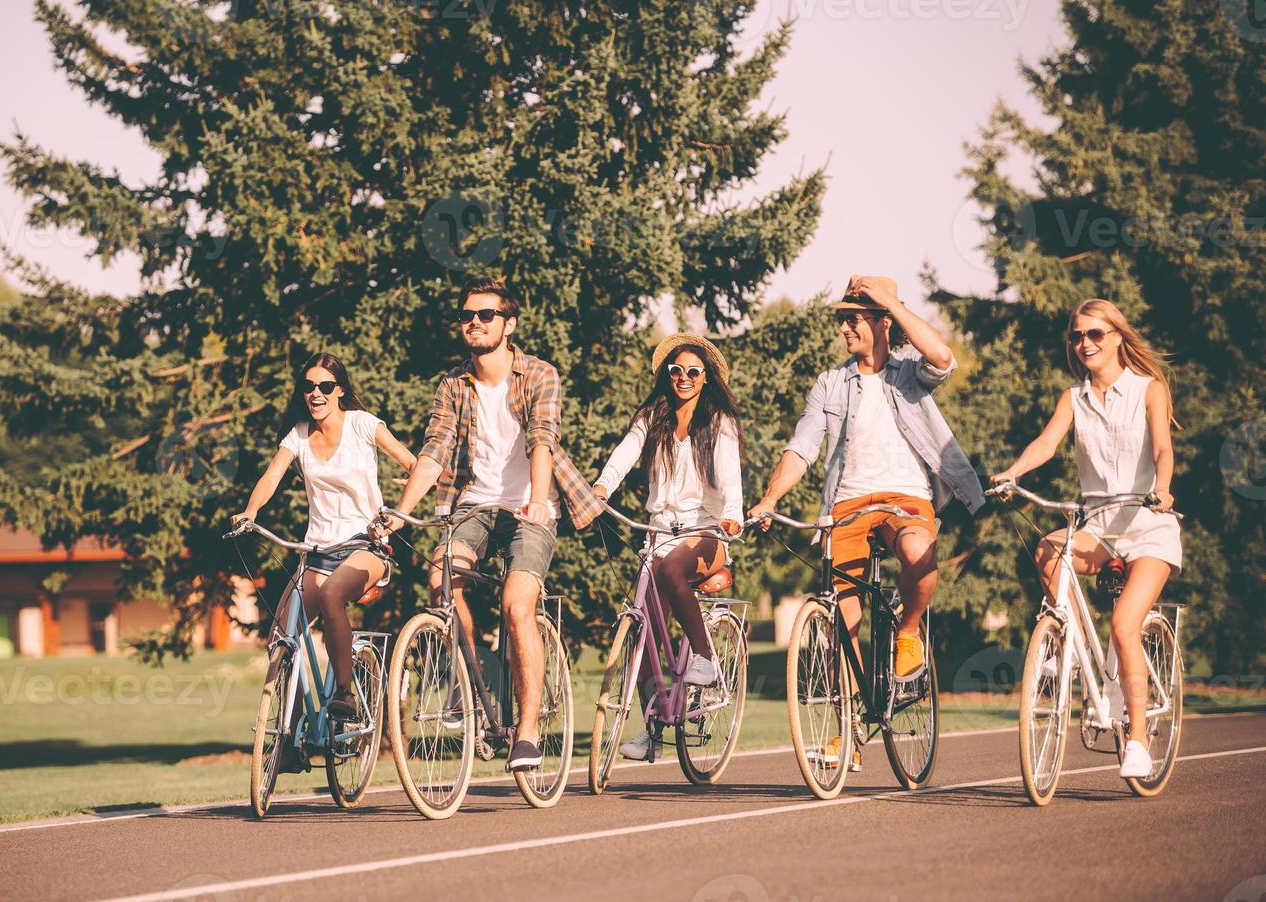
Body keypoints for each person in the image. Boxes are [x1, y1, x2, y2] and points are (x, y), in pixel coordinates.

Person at [749, 275, 984, 770]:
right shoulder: (831, 383)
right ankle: (848, 731)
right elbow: (802, 447)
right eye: (841, 319)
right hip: (847, 508)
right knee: (842, 621)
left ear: (882, 320)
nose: (844, 328)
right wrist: (769, 498)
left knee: (920, 551)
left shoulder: (909, 372)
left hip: (906, 500)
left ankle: (909, 630)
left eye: (853, 318)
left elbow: (944, 357)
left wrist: (891, 304)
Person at [375, 276, 602, 773]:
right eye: (466, 316)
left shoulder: (539, 374)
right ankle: (472, 690)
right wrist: (399, 511)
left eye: (486, 315)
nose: (474, 323)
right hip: (474, 506)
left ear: (509, 323)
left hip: (528, 506)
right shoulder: (453, 384)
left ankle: (527, 732)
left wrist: (539, 502)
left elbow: (543, 439)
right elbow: (434, 452)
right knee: (440, 580)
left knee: (517, 604)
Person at [990, 298, 1180, 779]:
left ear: (1117, 336)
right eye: (1077, 336)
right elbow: (1047, 443)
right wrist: (1013, 472)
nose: (1085, 343)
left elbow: (1162, 446)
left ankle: (1137, 740)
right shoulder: (1073, 398)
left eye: (1095, 334)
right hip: (1099, 527)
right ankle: (1067, 644)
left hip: (1148, 524)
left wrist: (1162, 488)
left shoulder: (1148, 389)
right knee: (1049, 550)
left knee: (1123, 625)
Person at [232, 353, 416, 730]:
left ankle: (344, 694)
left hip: (366, 546)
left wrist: (400, 511)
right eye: (309, 386)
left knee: (332, 595)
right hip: (317, 551)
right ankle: (290, 734)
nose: (316, 393)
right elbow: (271, 477)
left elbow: (412, 464)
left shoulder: (363, 425)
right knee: (280, 639)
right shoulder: (298, 434)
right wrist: (250, 511)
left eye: (325, 386)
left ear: (340, 390)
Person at [592, 334, 744, 762]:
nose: (683, 377)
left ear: (705, 378)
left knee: (673, 571)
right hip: (657, 533)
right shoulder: (653, 415)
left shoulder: (719, 423)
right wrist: (602, 487)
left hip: (707, 530)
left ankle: (703, 656)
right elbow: (624, 455)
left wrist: (733, 512)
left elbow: (730, 475)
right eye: (676, 370)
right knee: (642, 630)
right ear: (667, 375)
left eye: (693, 371)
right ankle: (654, 726)